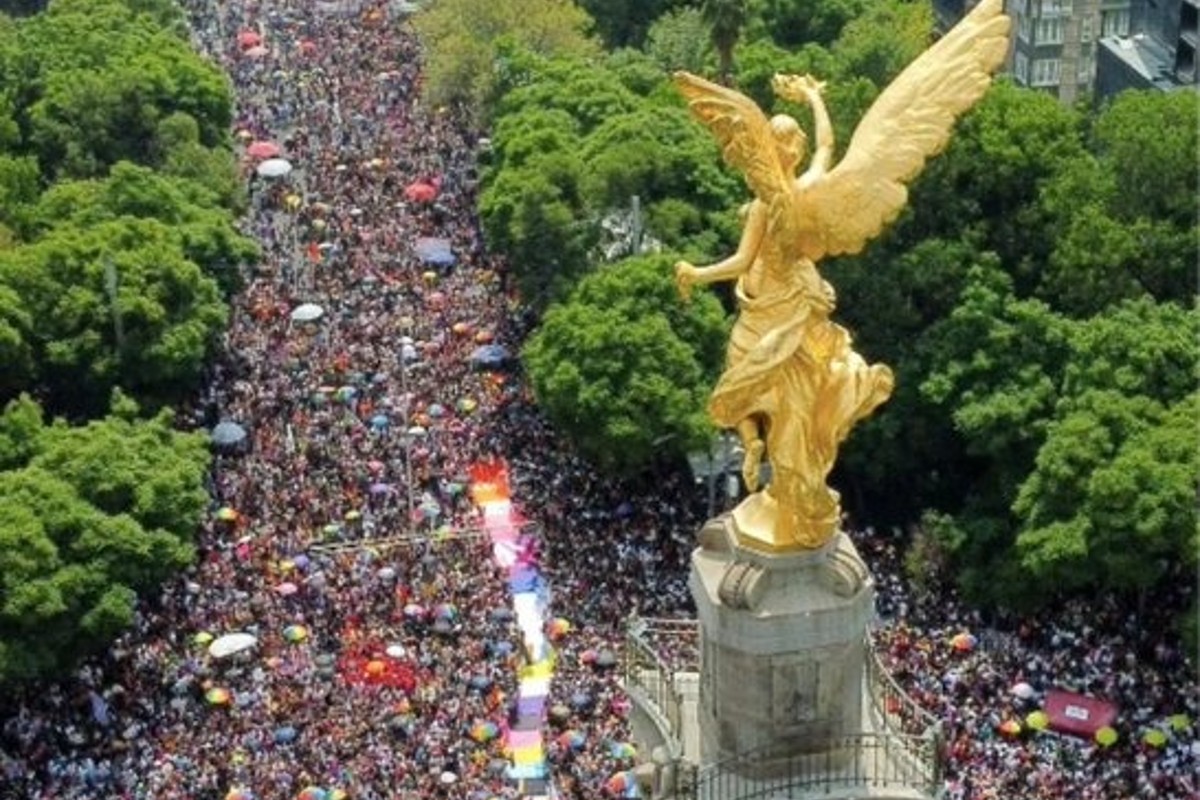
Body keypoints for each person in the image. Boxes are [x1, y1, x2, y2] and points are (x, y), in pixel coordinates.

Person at [673, 74, 893, 548]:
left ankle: (763, 452)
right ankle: (766, 455)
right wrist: (814, 96)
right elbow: (827, 148)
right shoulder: (810, 190)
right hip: (789, 304)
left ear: (768, 153)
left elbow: (740, 262)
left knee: (746, 380)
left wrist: (697, 272)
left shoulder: (764, 205)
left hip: (773, 310)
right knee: (776, 391)